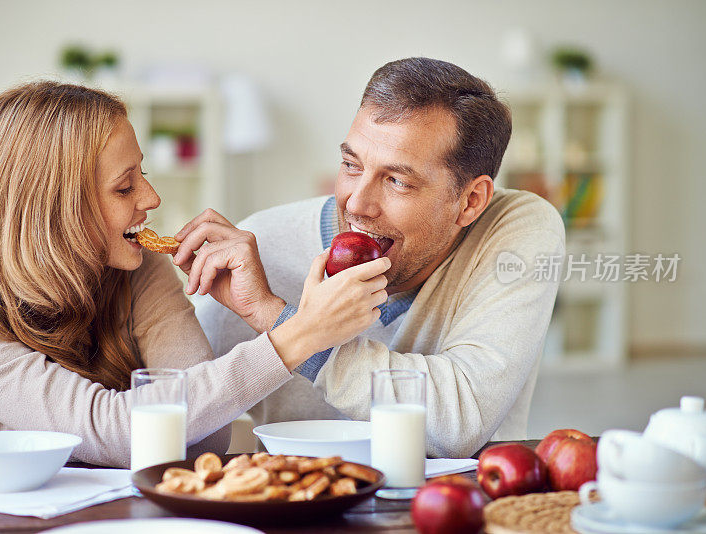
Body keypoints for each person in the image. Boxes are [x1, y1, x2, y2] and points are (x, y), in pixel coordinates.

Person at [0, 81, 390, 468]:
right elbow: (116, 430)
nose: (150, 198)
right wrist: (297, 336)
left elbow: (206, 439)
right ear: (53, 210)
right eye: (124, 187)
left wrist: (267, 317)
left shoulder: (140, 270)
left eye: (141, 174)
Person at [182, 58, 566, 458]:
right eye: (351, 165)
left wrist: (276, 319)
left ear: (470, 202)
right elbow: (178, 420)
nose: (358, 203)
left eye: (397, 181)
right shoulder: (260, 251)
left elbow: (458, 422)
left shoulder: (515, 227)